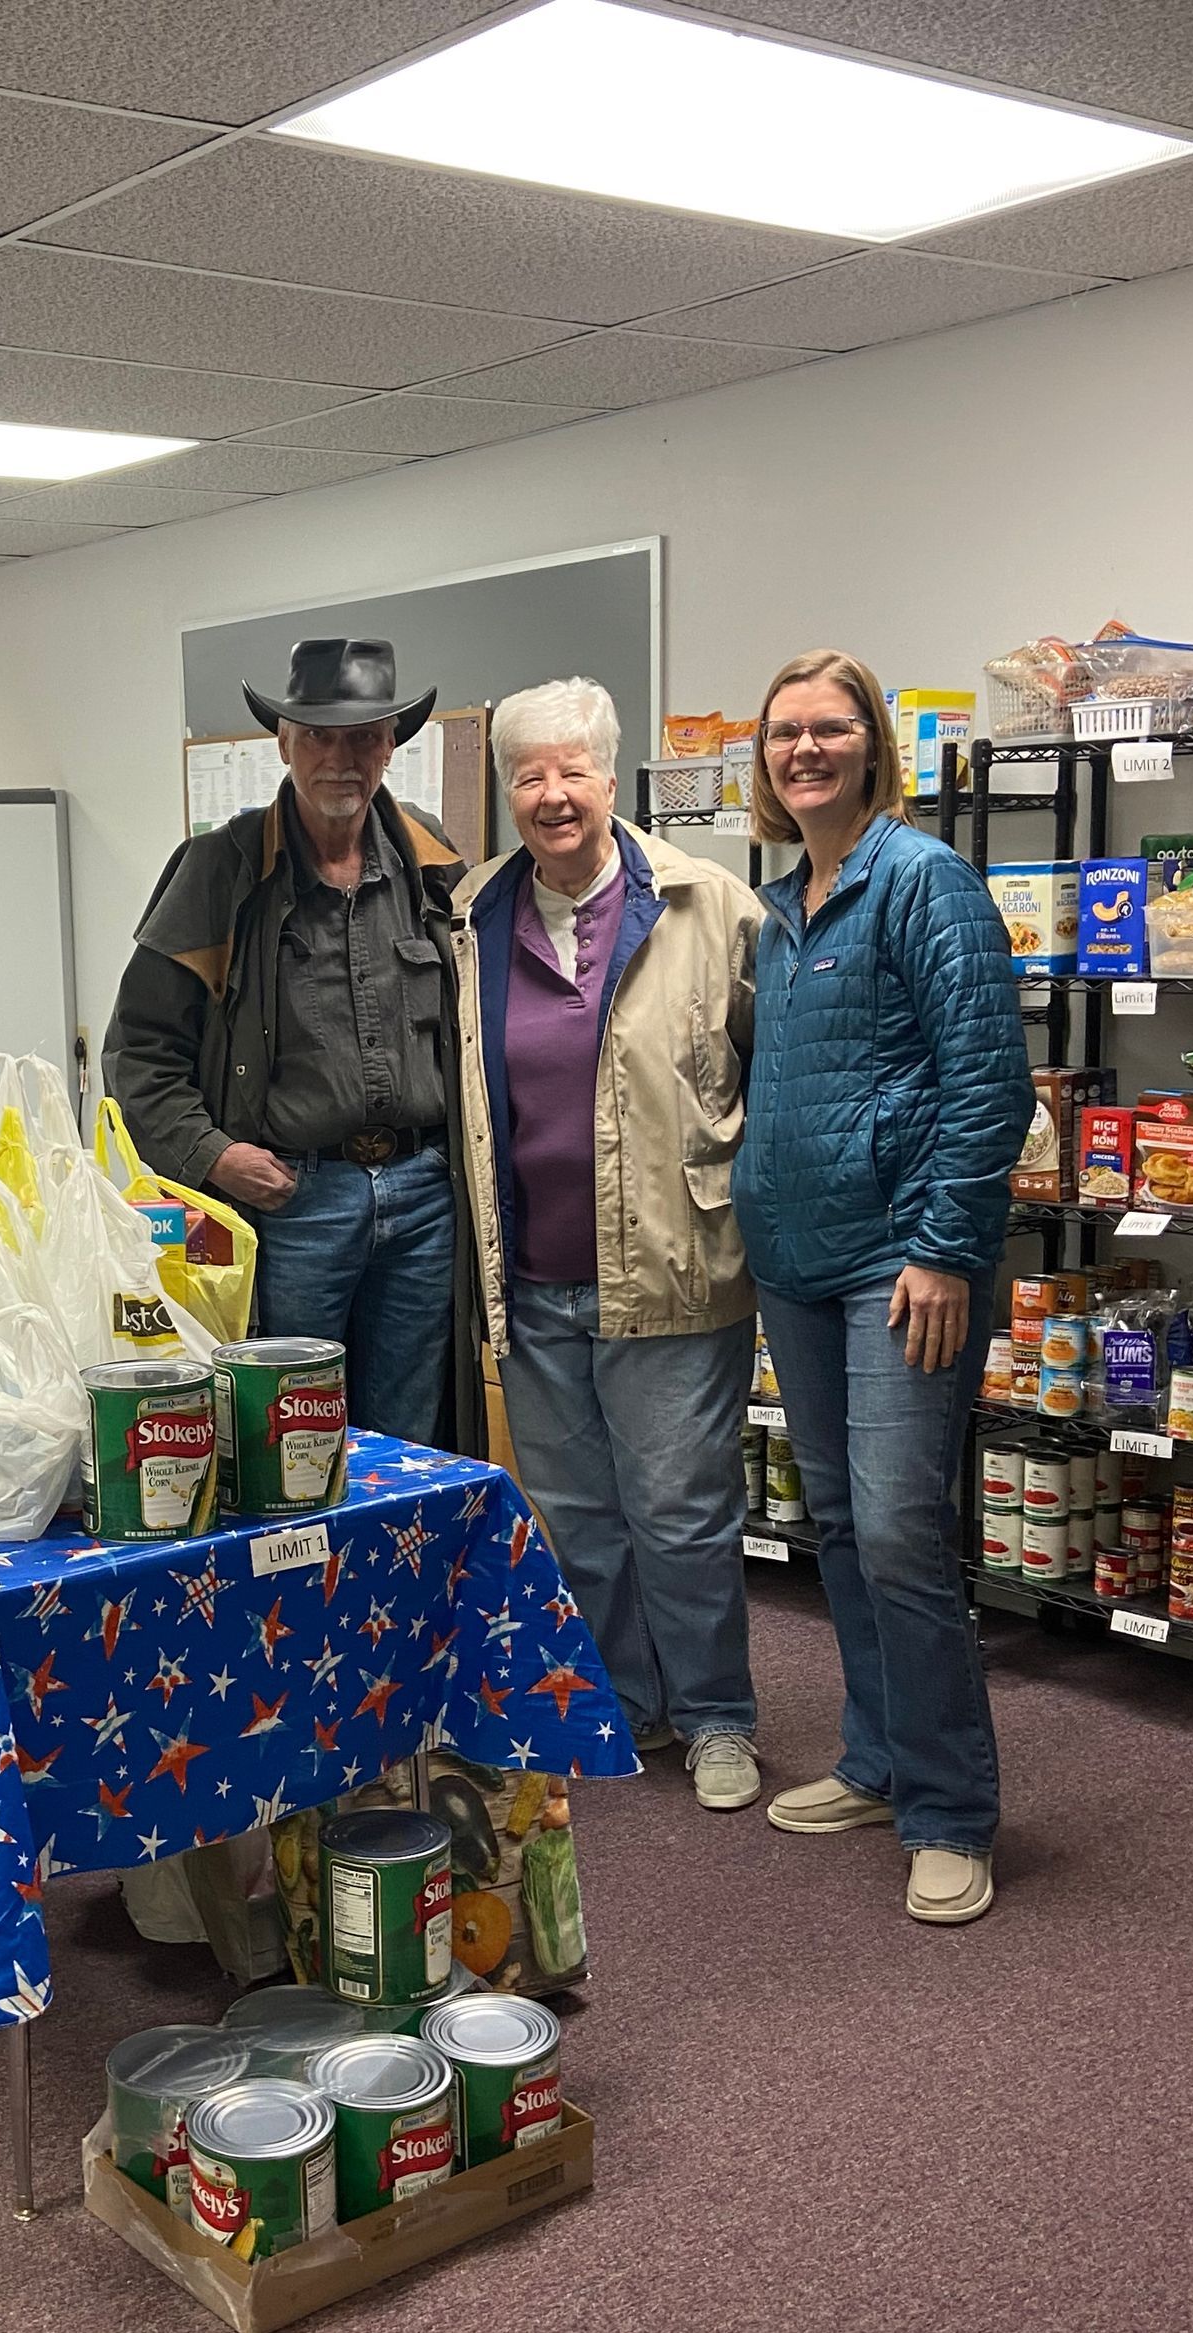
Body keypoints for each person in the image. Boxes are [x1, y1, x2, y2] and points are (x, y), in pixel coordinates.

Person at [733, 649, 1033, 1924]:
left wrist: (943, 1247)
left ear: (872, 745)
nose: (806, 749)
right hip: (795, 1263)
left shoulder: (926, 881)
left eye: (830, 727)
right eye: (786, 731)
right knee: (843, 1526)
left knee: (905, 1530)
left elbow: (989, 1084)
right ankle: (876, 1756)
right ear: (765, 757)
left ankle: (951, 1807)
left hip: (898, 1265)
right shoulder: (786, 899)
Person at [452, 677, 766, 1811]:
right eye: (528, 774)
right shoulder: (470, 919)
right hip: (529, 1276)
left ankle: (718, 1713)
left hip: (676, 1269)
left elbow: (770, 1075)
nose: (551, 794)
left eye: (572, 770)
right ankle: (625, 1700)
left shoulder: (708, 905)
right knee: (577, 1518)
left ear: (610, 776)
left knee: (681, 1513)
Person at [103, 636, 479, 1447]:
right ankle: (302, 1575)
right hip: (296, 1201)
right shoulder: (220, 869)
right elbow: (138, 1053)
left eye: (363, 736)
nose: (340, 758)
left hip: (422, 1195)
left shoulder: (432, 862)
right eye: (318, 735)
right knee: (290, 1439)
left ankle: (392, 1575)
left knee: (411, 1440)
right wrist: (211, 1155)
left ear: (391, 745)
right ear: (282, 742)